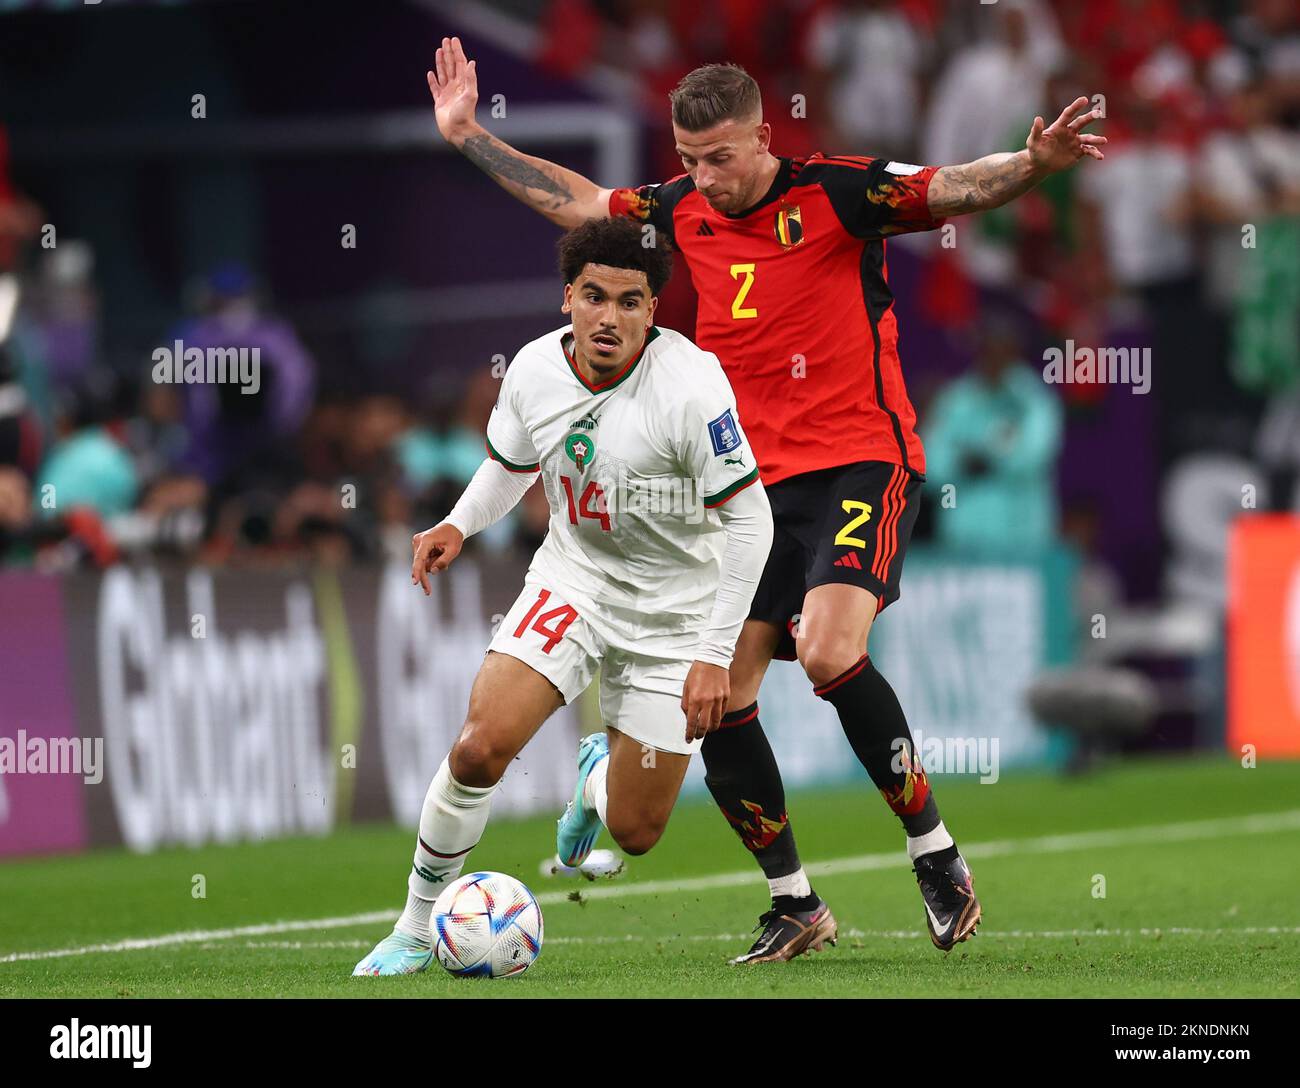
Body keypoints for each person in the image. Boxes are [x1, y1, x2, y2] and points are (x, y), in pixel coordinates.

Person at [426, 37, 1105, 962]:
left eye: (721, 158)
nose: (704, 179)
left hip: (862, 456)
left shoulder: (837, 190)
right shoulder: (680, 210)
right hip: (749, 490)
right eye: (689, 159)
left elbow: (951, 187)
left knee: (828, 653)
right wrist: (468, 135)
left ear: (763, 136)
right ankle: (795, 901)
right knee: (721, 693)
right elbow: (580, 200)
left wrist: (1031, 164)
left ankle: (935, 854)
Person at [354, 217, 775, 976]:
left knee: (637, 831)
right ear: (566, 300)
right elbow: (510, 466)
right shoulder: (532, 372)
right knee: (480, 747)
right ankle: (416, 927)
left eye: (629, 302)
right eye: (593, 297)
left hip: (675, 613)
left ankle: (593, 778)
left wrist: (715, 655)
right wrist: (459, 521)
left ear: (653, 311)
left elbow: (751, 518)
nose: (608, 318)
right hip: (574, 580)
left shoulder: (690, 388)